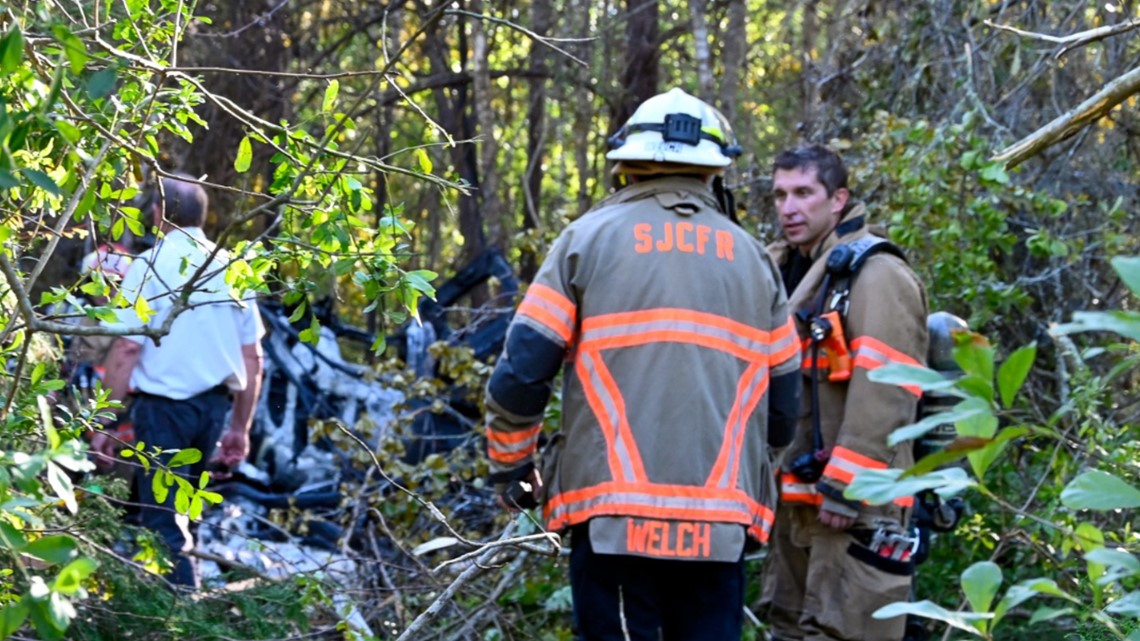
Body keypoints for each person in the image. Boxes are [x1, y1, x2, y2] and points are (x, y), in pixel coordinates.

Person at [482, 87, 801, 641]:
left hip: (615, 520)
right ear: (714, 172)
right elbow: (783, 408)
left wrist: (512, 470)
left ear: (625, 165)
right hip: (720, 523)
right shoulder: (754, 260)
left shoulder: (586, 240)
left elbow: (522, 373)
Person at [757, 145, 929, 641]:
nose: (789, 207)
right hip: (796, 500)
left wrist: (849, 485)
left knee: (847, 630)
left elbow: (889, 385)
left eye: (804, 193)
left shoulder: (876, 273)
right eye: (780, 195)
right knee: (788, 624)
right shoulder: (783, 272)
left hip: (856, 504)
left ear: (838, 200)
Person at [91, 174, 265, 588]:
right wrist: (240, 428)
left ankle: (182, 618)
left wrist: (104, 422)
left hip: (165, 412)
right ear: (203, 216)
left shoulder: (149, 266)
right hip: (214, 408)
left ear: (157, 213)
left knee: (162, 522)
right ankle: (188, 598)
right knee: (187, 512)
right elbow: (252, 357)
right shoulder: (232, 267)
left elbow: (127, 350)